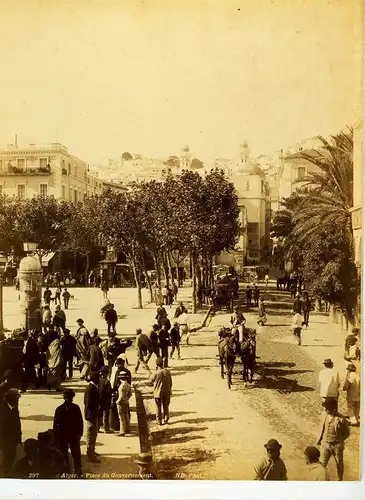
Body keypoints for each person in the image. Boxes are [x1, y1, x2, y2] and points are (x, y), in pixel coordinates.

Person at [317, 398, 350, 481]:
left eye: (327, 408)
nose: (325, 409)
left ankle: (339, 480)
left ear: (334, 408)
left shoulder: (341, 419)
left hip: (337, 446)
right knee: (321, 464)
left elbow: (346, 433)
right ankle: (320, 480)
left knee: (339, 464)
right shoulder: (323, 415)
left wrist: (338, 440)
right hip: (325, 444)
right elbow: (322, 428)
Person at [53, 388, 83, 477]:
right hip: (63, 436)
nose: (68, 399)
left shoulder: (75, 408)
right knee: (64, 455)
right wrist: (56, 436)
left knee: (76, 455)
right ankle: (66, 472)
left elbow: (80, 422)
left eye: (69, 397)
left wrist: (79, 434)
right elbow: (55, 424)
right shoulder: (59, 409)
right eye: (66, 397)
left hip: (73, 435)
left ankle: (78, 472)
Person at [0, 388, 22, 477]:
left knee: (12, 458)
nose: (18, 400)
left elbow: (17, 424)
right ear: (10, 399)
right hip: (6, 440)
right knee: (7, 459)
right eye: (16, 398)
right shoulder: (2, 410)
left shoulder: (15, 407)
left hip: (13, 440)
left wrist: (19, 439)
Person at [84, 371, 101, 462]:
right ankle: (91, 454)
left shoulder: (92, 387)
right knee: (91, 435)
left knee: (93, 434)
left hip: (92, 414)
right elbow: (89, 404)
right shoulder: (91, 389)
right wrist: (97, 408)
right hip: (91, 415)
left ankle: (92, 450)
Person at [150, 357, 172, 425]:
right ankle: (166, 418)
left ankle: (159, 421)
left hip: (158, 392)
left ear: (156, 365)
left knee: (158, 406)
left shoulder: (156, 373)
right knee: (166, 406)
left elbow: (151, 379)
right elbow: (171, 382)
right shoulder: (167, 371)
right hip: (167, 391)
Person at [116, 371, 132, 436]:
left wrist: (117, 401)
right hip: (126, 402)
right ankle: (127, 429)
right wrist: (127, 399)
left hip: (121, 403)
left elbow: (121, 396)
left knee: (121, 417)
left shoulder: (121, 386)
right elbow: (130, 394)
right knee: (126, 416)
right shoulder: (128, 385)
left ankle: (122, 431)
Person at [98, 366, 113, 433]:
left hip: (99, 400)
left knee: (99, 415)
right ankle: (106, 429)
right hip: (106, 401)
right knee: (106, 415)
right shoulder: (107, 382)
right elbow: (109, 391)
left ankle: (97, 428)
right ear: (107, 373)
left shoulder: (98, 380)